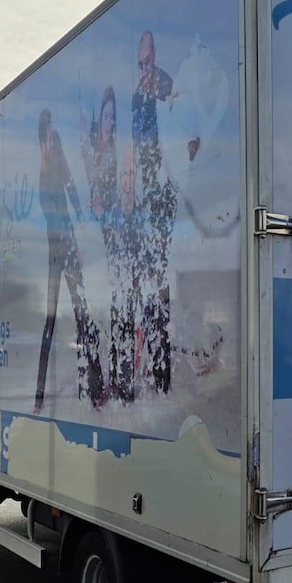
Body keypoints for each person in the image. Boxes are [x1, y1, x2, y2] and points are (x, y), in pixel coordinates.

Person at [34, 108, 105, 413]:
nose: (50, 142)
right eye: (47, 138)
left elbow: (73, 189)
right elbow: (52, 215)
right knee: (49, 322)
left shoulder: (58, 168)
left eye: (53, 137)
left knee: (82, 314)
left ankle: (96, 389)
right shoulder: (43, 178)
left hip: (69, 247)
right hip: (56, 253)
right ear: (41, 143)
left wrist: (82, 220)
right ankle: (38, 398)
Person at [81, 87, 138, 404]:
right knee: (96, 314)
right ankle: (99, 384)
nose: (110, 122)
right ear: (100, 116)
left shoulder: (118, 151)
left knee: (119, 311)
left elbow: (125, 193)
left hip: (115, 238)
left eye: (114, 117)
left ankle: (120, 382)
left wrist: (112, 212)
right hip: (95, 241)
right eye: (107, 115)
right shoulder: (91, 151)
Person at [130, 30, 179, 395]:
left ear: (155, 55)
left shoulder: (166, 85)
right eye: (140, 63)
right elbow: (135, 144)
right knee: (148, 277)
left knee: (158, 275)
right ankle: (149, 362)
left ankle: (161, 371)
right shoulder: (136, 94)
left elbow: (179, 128)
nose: (144, 68)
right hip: (146, 193)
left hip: (164, 190)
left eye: (147, 61)